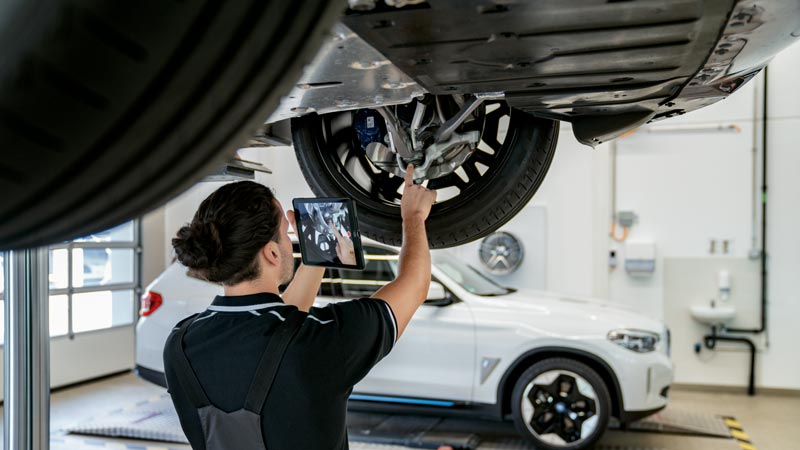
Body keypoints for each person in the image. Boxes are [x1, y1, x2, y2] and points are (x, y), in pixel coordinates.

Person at [163, 165, 436, 449]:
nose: (290, 238)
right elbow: (415, 284)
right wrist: (413, 216)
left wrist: (318, 253)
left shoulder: (180, 343)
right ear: (271, 252)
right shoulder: (323, 339)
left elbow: (280, 333)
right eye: (285, 232)